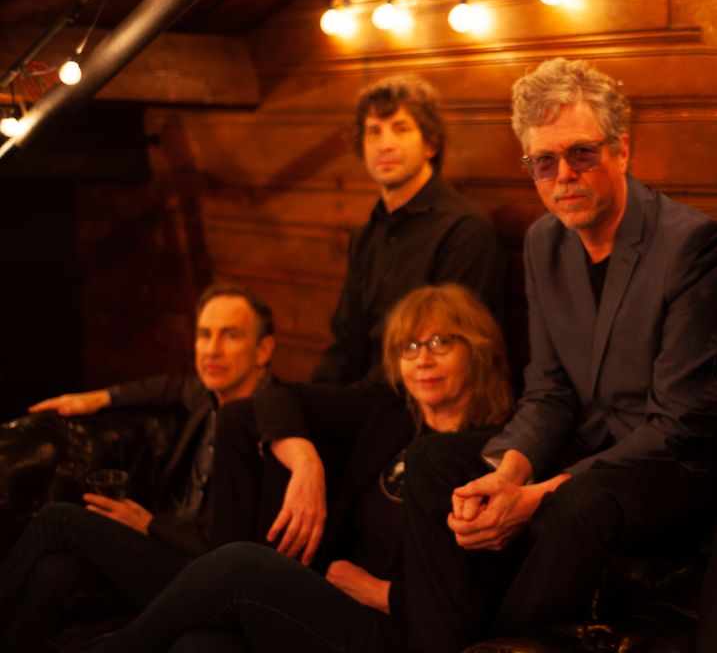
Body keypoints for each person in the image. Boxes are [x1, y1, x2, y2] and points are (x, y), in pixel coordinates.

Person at [401, 58, 717, 652]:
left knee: (577, 502)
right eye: (543, 161)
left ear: (621, 151)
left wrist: (535, 497)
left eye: (582, 154)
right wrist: (509, 476)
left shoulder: (689, 245)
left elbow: (678, 426)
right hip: (590, 446)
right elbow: (549, 390)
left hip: (673, 472)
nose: (563, 175)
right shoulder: (543, 241)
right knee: (434, 463)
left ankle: (493, 648)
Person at [87, 283, 514, 653]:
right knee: (198, 646)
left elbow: (478, 600)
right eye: (410, 346)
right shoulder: (390, 412)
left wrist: (377, 591)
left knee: (241, 563)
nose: (423, 359)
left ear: (477, 349)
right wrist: (306, 463)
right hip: (335, 600)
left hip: (394, 629)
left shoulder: (499, 453)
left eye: (441, 342)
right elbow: (271, 400)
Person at [0, 283, 276, 652]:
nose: (212, 349)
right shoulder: (208, 394)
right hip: (166, 553)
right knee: (53, 574)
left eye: (231, 336)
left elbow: (233, 545)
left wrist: (147, 522)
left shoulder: (276, 426)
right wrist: (96, 398)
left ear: (263, 350)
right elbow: (165, 387)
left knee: (58, 520)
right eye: (204, 335)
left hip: (210, 576)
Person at [312, 74, 505, 385]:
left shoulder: (464, 230)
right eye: (374, 132)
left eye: (400, 129)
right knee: (268, 409)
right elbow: (348, 343)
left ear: (430, 143)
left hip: (423, 398)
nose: (385, 144)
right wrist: (316, 397)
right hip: (366, 393)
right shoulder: (366, 236)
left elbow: (447, 355)